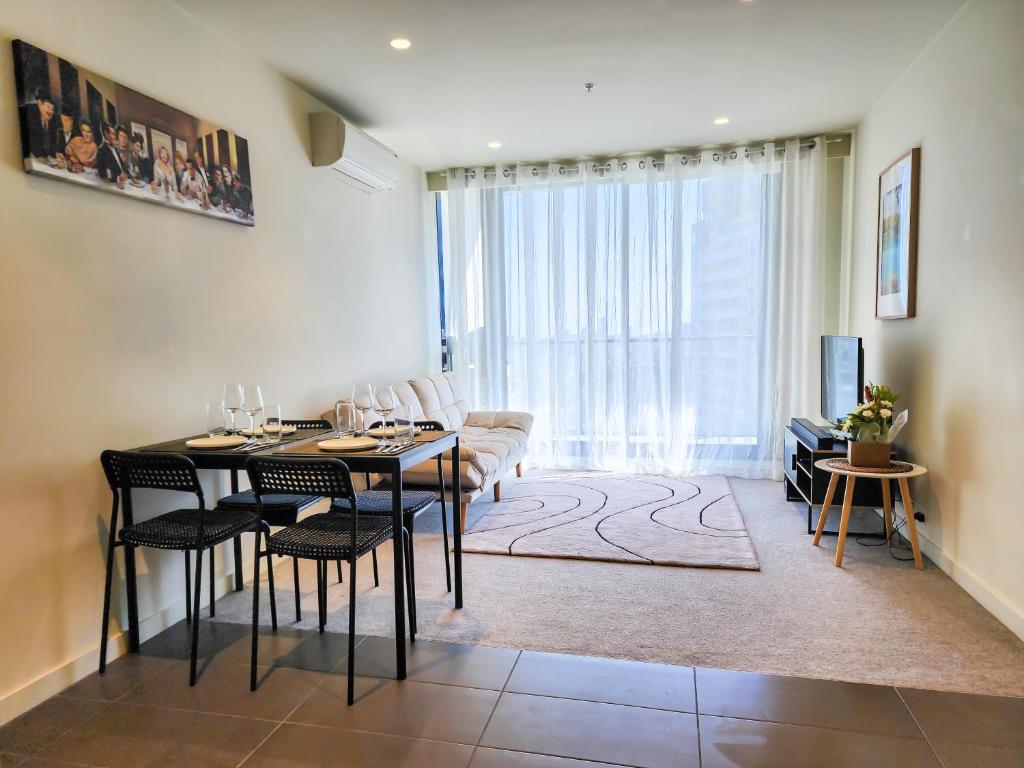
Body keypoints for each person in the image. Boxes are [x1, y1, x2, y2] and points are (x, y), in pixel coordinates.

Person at [19, 88, 58, 159]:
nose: (51, 112)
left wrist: (55, 155)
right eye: (48, 107)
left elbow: (53, 142)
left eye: (53, 109)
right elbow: (30, 141)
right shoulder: (27, 111)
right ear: (40, 103)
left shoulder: (54, 119)